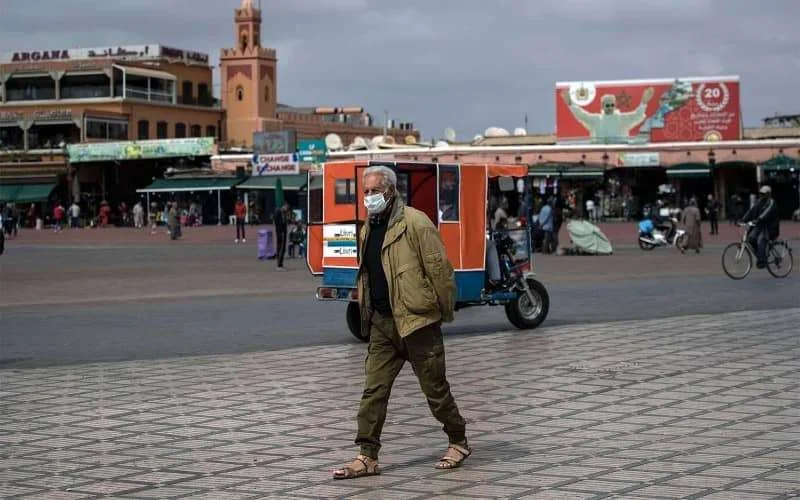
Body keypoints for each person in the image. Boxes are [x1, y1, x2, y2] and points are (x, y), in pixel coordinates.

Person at [333, 165, 468, 480]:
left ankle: (458, 441)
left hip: (418, 323)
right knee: (373, 392)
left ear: (390, 191)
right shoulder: (368, 227)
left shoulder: (415, 222)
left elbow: (440, 271)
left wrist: (443, 313)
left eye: (374, 191)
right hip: (383, 324)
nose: (368, 197)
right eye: (365, 192)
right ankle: (367, 456)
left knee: (435, 390)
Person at [561, 87, 654, 143]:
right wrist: (570, 103)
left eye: (612, 105)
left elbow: (637, 115)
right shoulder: (596, 120)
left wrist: (644, 102)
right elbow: (581, 115)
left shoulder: (621, 119)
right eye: (607, 105)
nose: (610, 107)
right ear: (602, 106)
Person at [741, 185, 779, 269]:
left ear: (769, 194)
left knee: (761, 240)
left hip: (770, 228)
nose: (762, 195)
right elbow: (751, 211)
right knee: (750, 239)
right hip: (760, 225)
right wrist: (743, 219)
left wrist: (757, 219)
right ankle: (761, 255)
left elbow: (765, 213)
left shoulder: (771, 202)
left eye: (764, 194)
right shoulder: (759, 202)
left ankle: (762, 261)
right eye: (761, 193)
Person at [273, 202, 290, 270]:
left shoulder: (282, 213)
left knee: (281, 248)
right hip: (281, 232)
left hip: (281, 232)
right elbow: (279, 222)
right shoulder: (280, 212)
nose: (287, 210)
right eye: (287, 208)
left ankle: (280, 264)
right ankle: (279, 265)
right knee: (281, 248)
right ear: (284, 206)